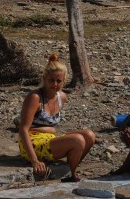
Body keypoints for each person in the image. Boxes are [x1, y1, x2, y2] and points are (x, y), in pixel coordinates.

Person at [17, 53, 96, 181]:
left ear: (64, 81)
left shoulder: (62, 97)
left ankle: (71, 170)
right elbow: (23, 129)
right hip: (33, 142)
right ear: (44, 78)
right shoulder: (35, 97)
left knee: (89, 135)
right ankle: (72, 174)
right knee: (78, 140)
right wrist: (34, 160)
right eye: (51, 80)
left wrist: (49, 130)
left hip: (49, 138)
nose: (55, 84)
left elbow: (50, 128)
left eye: (58, 81)